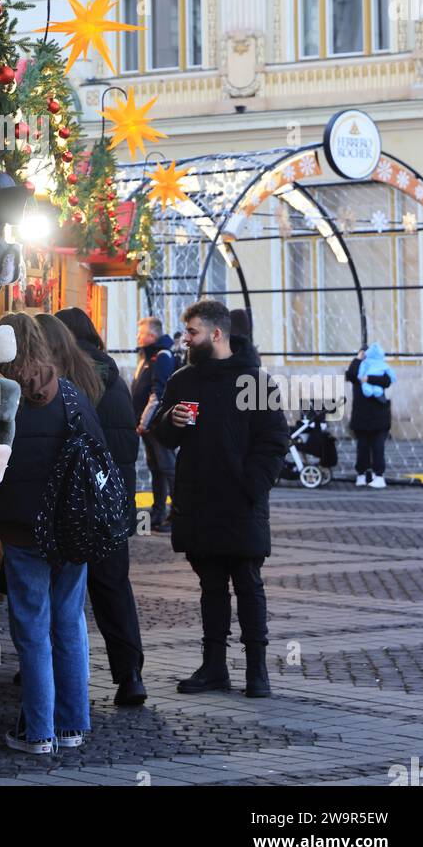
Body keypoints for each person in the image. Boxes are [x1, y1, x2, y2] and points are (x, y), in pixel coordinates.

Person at [155, 299, 289, 699]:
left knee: (248, 583)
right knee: (210, 586)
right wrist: (170, 420)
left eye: (192, 332)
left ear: (215, 334)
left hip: (242, 502)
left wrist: (252, 484)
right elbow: (165, 436)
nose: (185, 339)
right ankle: (213, 667)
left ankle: (256, 672)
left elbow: (274, 440)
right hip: (198, 500)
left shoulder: (255, 381)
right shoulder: (183, 380)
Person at [0, 312, 106, 755]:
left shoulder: (1, 397)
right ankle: (73, 725)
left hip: (23, 533)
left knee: (33, 630)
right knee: (70, 623)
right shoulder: (73, 395)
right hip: (72, 530)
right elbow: (100, 457)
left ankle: (38, 732)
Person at [43, 309, 146, 707]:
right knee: (112, 587)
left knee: (58, 587)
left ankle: (47, 670)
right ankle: (130, 675)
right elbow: (126, 444)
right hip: (111, 503)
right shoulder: (114, 375)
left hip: (72, 502)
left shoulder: (65, 377)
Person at [131, 316, 177, 532]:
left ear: (151, 336)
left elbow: (157, 394)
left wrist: (144, 421)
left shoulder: (162, 357)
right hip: (148, 425)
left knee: (168, 467)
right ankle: (158, 511)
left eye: (141, 334)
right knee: (155, 467)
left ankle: (177, 513)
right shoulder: (147, 357)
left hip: (157, 424)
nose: (138, 337)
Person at [345, 342, 395, 488]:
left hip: (379, 417)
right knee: (362, 448)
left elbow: (386, 381)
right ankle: (362, 474)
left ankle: (378, 475)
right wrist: (357, 359)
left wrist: (369, 379)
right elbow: (350, 374)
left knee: (378, 447)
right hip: (361, 417)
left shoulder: (381, 369)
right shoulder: (358, 371)